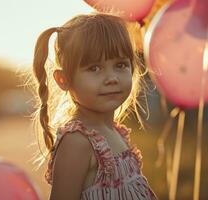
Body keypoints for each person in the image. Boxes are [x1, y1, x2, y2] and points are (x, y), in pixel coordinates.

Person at [31, 12, 157, 200]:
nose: (112, 78)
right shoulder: (78, 142)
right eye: (94, 68)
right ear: (63, 79)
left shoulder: (115, 132)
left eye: (120, 65)